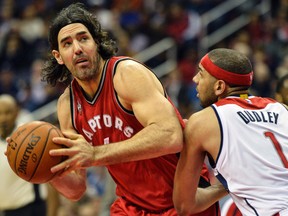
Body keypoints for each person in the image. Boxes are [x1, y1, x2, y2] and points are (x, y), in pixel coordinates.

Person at [38, 3, 220, 215]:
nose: (77, 48)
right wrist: (45, 170)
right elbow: (76, 188)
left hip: (183, 199)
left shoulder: (126, 74)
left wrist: (95, 154)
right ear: (58, 56)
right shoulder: (67, 106)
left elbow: (171, 136)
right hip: (132, 206)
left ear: (96, 43)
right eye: (67, 43)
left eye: (83, 38)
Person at [173, 48, 288, 215]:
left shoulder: (203, 121)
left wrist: (227, 185)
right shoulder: (281, 109)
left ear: (219, 86)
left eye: (201, 73)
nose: (195, 79)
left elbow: (185, 205)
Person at [0, 94, 60, 216]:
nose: (3, 118)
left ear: (17, 112)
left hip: (31, 208)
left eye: (8, 112)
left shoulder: (32, 137)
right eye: (0, 113)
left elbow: (51, 181)